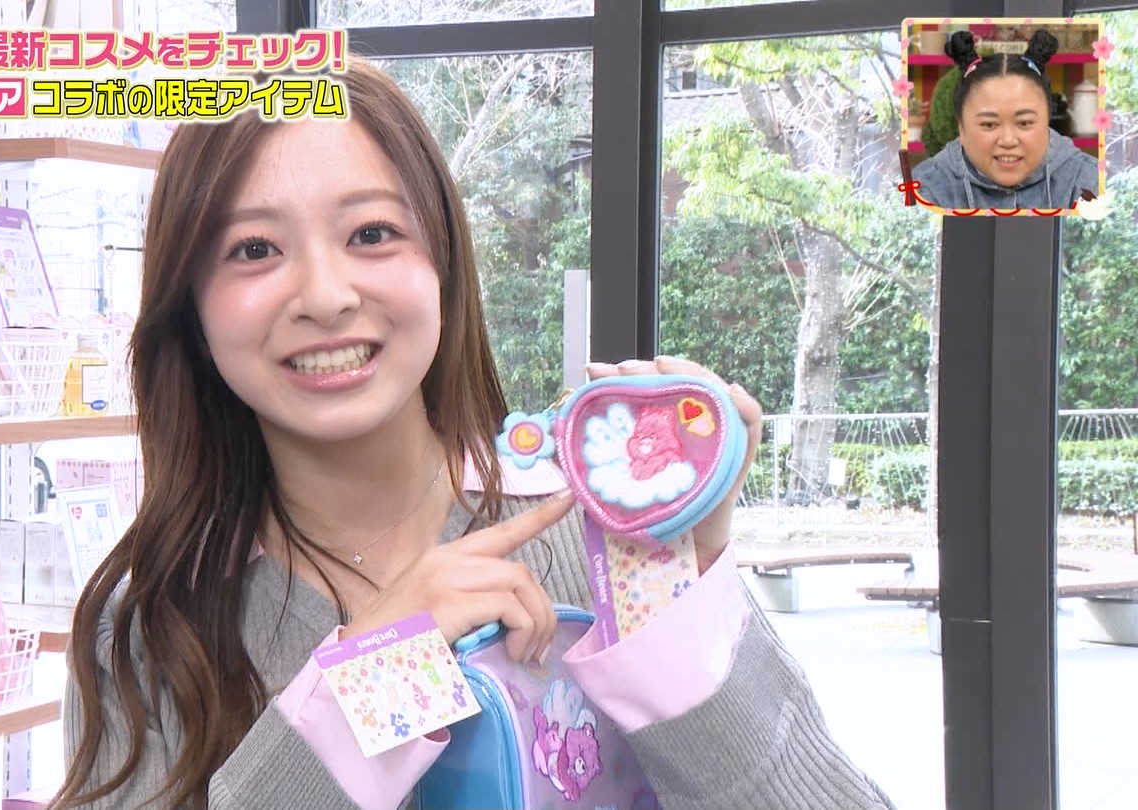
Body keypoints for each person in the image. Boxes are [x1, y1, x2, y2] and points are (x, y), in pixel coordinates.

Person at [52, 56, 895, 810]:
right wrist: (379, 679)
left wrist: (674, 598)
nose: (325, 296)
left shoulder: (596, 536)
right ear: (191, 306)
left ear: (444, 264)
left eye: (372, 234)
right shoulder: (147, 626)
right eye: (253, 249)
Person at [913, 29, 1100, 210]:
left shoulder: (1088, 180)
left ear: (1047, 121)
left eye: (1024, 123)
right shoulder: (925, 189)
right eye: (989, 124)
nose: (1008, 140)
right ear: (961, 127)